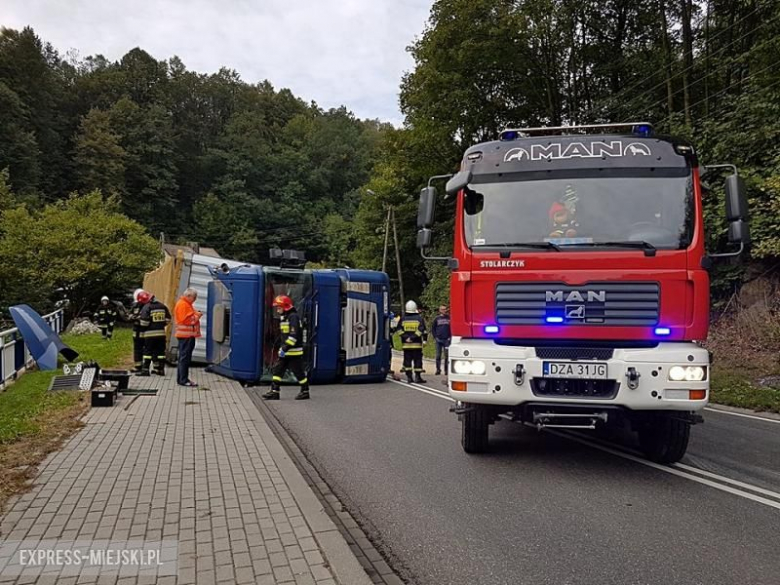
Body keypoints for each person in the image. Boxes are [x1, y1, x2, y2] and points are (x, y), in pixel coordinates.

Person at [262, 295, 309, 401]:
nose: (277, 310)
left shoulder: (293, 317)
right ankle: (275, 392)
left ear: (285, 307)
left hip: (294, 352)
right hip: (286, 351)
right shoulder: (285, 317)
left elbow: (293, 336)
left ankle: (305, 390)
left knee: (298, 372)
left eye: (279, 307)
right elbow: (284, 335)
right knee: (277, 370)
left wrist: (284, 348)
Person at [137, 294, 171, 376]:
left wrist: (140, 321)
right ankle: (160, 370)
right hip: (161, 334)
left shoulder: (147, 307)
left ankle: (145, 370)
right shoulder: (163, 306)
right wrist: (160, 324)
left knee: (147, 352)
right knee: (160, 353)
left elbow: (144, 323)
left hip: (150, 335)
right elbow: (168, 319)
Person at [174, 288, 202, 387]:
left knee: (184, 357)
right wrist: (197, 315)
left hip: (186, 335)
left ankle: (181, 379)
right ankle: (183, 380)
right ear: (188, 296)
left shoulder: (186, 304)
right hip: (186, 335)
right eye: (194, 297)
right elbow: (187, 321)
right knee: (185, 358)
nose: (195, 299)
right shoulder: (183, 305)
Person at [395, 300, 428, 383]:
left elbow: (399, 330)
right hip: (416, 344)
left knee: (407, 361)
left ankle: (409, 378)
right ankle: (418, 377)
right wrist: (413, 338)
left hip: (406, 345)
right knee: (417, 360)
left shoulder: (403, 319)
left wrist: (406, 337)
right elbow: (421, 330)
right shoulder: (419, 319)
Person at [128, 289, 151, 373]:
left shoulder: (149, 306)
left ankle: (145, 368)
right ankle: (138, 366)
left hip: (146, 331)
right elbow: (129, 315)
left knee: (147, 350)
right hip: (137, 331)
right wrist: (133, 317)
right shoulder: (135, 305)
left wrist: (139, 318)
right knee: (137, 349)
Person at [431, 305, 452, 376]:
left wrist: (450, 337)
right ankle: (438, 369)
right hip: (438, 340)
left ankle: (446, 370)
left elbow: (452, 328)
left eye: (445, 309)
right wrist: (435, 337)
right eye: (442, 309)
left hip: (447, 340)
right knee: (438, 356)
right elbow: (433, 329)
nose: (444, 311)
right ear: (440, 310)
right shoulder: (436, 319)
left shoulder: (449, 318)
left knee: (446, 356)